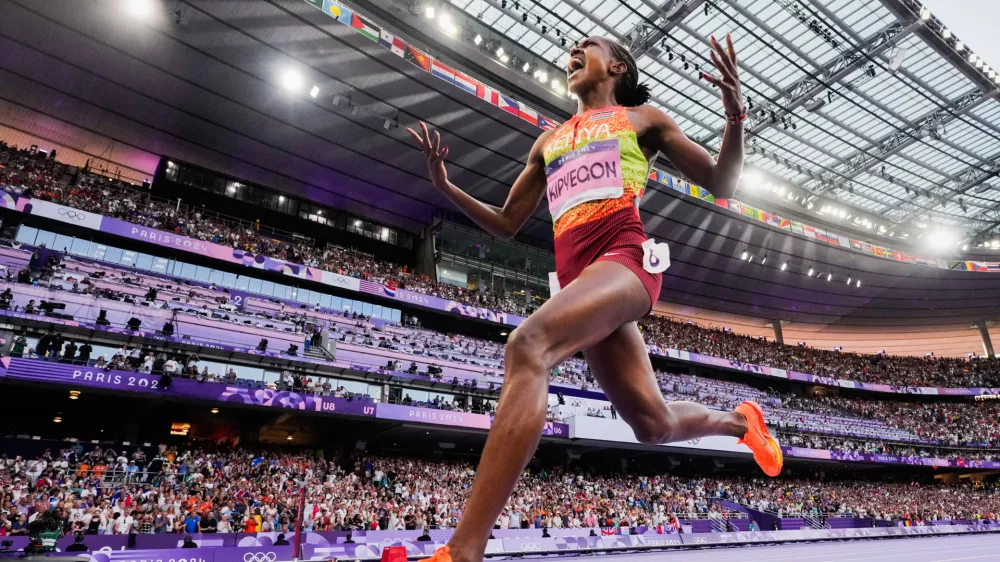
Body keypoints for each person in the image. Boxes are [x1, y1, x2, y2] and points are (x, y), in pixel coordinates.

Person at [408, 34, 780, 562]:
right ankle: (743, 423)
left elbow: (722, 183)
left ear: (617, 66)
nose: (572, 51)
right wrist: (446, 187)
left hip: (625, 261)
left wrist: (736, 120)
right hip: (581, 281)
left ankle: (463, 550)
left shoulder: (643, 120)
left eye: (587, 45)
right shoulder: (547, 142)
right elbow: (508, 224)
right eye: (572, 47)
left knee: (528, 345)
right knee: (653, 425)